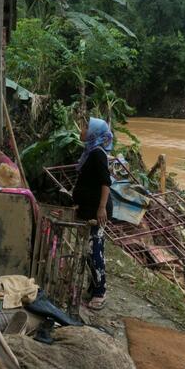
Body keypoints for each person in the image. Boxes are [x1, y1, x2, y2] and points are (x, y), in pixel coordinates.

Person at [72, 117, 113, 310]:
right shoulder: (89, 151)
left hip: (97, 212)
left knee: (94, 250)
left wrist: (101, 208)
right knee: (90, 250)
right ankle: (93, 287)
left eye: (87, 126)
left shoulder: (98, 154)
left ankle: (100, 292)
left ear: (95, 132)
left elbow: (106, 182)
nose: (83, 129)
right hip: (89, 209)